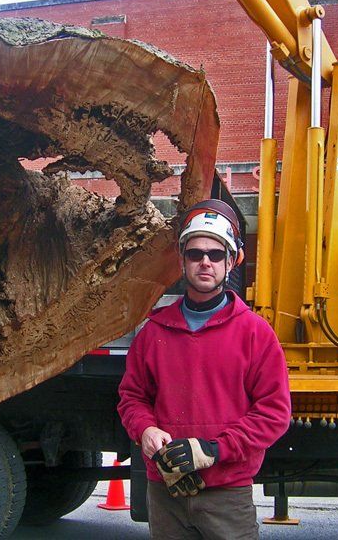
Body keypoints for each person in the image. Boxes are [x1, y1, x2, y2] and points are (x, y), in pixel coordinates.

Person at [117, 199, 291, 539]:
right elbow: (132, 398)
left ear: (231, 261)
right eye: (195, 254)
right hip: (166, 493)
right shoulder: (154, 333)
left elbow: (274, 413)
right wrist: (146, 432)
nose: (205, 262)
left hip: (227, 493)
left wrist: (214, 451)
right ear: (182, 261)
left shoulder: (255, 333)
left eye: (215, 254)